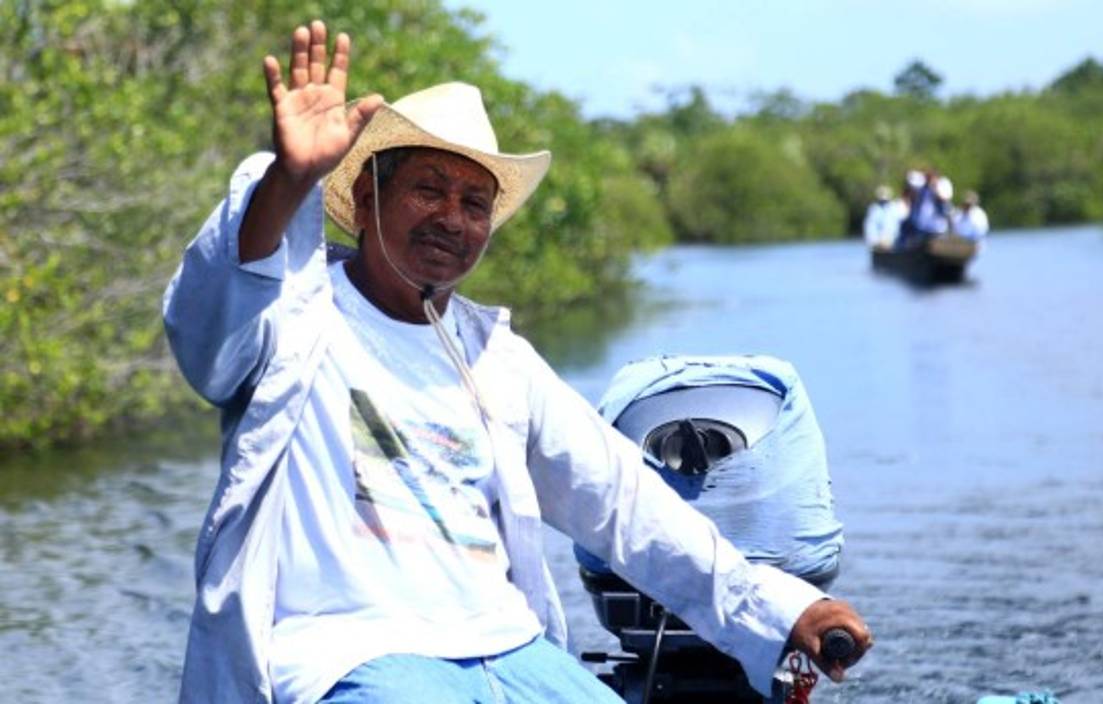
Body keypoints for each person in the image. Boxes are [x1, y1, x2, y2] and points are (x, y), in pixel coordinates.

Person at [162, 19, 872, 704]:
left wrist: (781, 611)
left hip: (509, 650)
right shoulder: (292, 317)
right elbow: (207, 336)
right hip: (351, 654)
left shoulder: (497, 358)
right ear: (365, 197)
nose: (452, 216)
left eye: (475, 202)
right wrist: (287, 181)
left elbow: (626, 504)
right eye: (428, 188)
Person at [862, 184, 904, 249]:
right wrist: (876, 242)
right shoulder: (874, 209)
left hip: (895, 244)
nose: (884, 201)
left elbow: (900, 225)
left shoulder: (895, 208)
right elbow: (870, 228)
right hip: (878, 245)